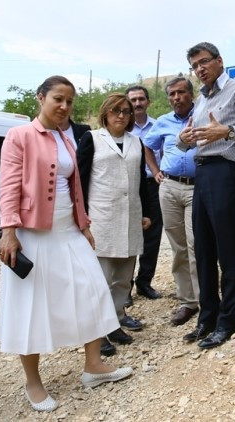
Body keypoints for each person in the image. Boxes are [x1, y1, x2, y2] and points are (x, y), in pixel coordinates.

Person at [0, 76, 131, 414]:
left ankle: (94, 366)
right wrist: (9, 231)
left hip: (68, 230)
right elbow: (9, 185)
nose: (64, 107)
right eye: (58, 99)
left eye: (69, 101)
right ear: (40, 98)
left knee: (92, 290)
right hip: (32, 234)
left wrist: (83, 225)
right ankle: (33, 381)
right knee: (32, 307)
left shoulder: (67, 137)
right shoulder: (20, 136)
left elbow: (76, 188)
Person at [177, 42, 235, 349]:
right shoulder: (201, 100)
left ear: (219, 61)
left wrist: (227, 131)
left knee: (229, 249)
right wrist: (183, 140)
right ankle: (208, 317)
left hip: (227, 173)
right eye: (195, 66)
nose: (200, 69)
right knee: (203, 249)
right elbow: (193, 140)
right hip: (202, 172)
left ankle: (230, 320)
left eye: (204, 62)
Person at [77, 94, 151, 357]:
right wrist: (81, 216)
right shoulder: (92, 139)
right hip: (102, 218)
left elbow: (142, 181)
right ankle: (98, 333)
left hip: (130, 216)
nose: (121, 115)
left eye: (126, 111)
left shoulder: (136, 142)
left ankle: (117, 319)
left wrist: (146, 212)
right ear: (105, 113)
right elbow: (81, 179)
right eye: (115, 110)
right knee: (101, 278)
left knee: (123, 277)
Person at [144, 77, 199, 327]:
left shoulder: (204, 114)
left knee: (196, 243)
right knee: (178, 247)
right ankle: (188, 301)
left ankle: (205, 297)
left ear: (191, 94)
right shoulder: (164, 121)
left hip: (198, 187)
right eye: (172, 94)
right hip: (169, 187)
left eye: (181, 93)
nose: (176, 98)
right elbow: (148, 146)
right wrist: (155, 169)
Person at [125, 85, 164, 302]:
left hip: (153, 186)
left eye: (141, 99)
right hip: (129, 186)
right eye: (133, 100)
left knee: (153, 236)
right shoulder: (122, 129)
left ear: (148, 101)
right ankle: (125, 287)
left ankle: (144, 283)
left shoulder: (159, 126)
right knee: (130, 234)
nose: (137, 103)